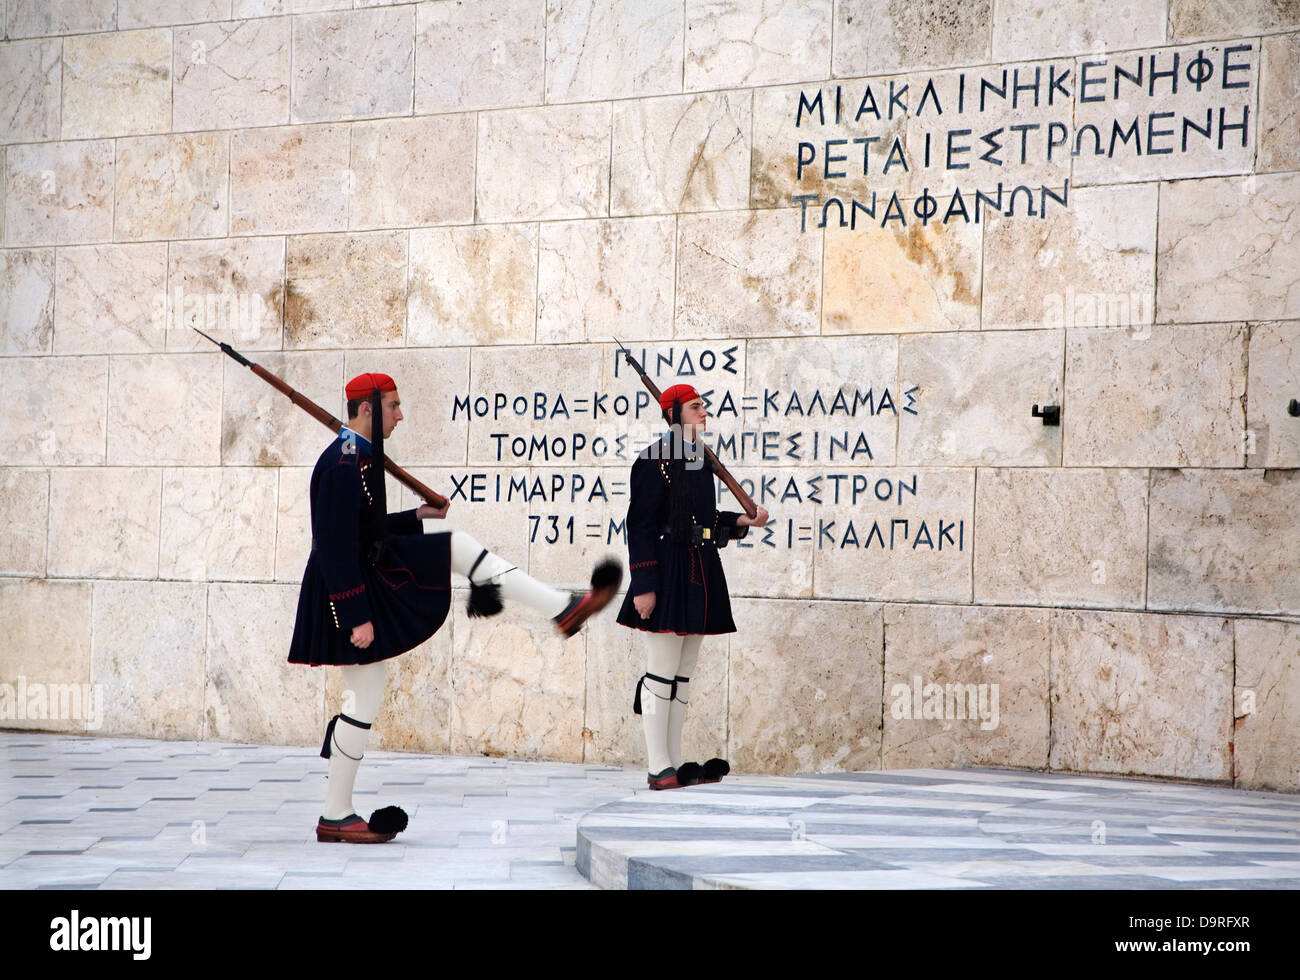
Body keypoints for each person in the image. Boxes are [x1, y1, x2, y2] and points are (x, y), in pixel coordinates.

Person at [289, 372, 621, 842]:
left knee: (453, 551)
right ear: (368, 409)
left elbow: (367, 526)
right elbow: (336, 542)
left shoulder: (358, 455)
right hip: (348, 587)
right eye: (393, 406)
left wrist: (415, 517)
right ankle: (335, 815)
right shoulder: (344, 462)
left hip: (363, 572)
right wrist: (356, 614)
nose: (400, 415)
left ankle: (336, 814)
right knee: (363, 693)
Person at [615, 384, 768, 789]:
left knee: (682, 673)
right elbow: (642, 526)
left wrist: (742, 521)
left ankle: (675, 762)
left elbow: (706, 517)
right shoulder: (652, 462)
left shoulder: (700, 460)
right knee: (661, 670)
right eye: (696, 406)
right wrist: (644, 585)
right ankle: (657, 764)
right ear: (674, 413)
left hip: (699, 569)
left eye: (703, 406)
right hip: (666, 572)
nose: (704, 412)